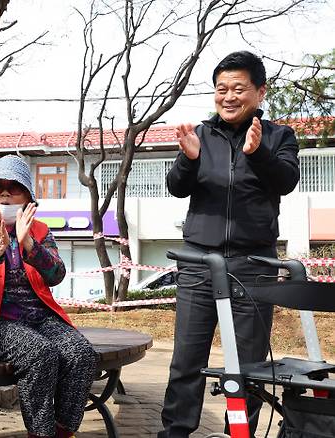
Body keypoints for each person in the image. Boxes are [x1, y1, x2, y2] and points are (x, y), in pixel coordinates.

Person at [159, 51, 300, 438]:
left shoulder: (279, 136)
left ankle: (238, 433)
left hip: (254, 265)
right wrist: (188, 160)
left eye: (239, 88)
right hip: (199, 264)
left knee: (248, 364)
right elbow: (176, 187)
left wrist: (259, 154)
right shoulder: (201, 135)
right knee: (187, 359)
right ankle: (175, 431)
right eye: (221, 89)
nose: (229, 97)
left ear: (260, 92)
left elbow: (286, 180)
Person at [0, 154, 97, 438]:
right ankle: (40, 434)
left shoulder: (41, 230)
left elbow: (56, 274)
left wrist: (30, 245)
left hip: (40, 317)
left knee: (81, 354)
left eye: (14, 187)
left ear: (27, 197)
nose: (5, 194)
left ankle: (63, 431)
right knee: (39, 354)